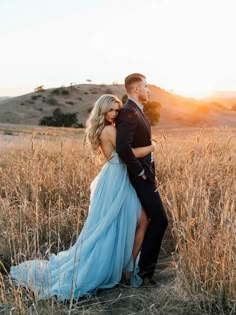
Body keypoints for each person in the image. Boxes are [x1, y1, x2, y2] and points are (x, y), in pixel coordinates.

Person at [10, 94, 154, 301]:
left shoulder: (105, 129)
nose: (116, 113)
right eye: (112, 110)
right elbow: (128, 154)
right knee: (132, 222)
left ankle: (126, 268)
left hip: (115, 176)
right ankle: (127, 270)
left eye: (118, 109)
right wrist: (151, 147)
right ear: (103, 111)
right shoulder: (110, 130)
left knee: (127, 222)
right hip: (116, 180)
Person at [116, 73, 168, 286]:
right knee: (160, 220)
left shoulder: (136, 110)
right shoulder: (129, 111)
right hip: (140, 177)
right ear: (136, 89)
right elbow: (122, 149)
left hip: (146, 174)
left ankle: (136, 270)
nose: (149, 90)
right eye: (146, 87)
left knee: (144, 221)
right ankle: (144, 273)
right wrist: (141, 172)